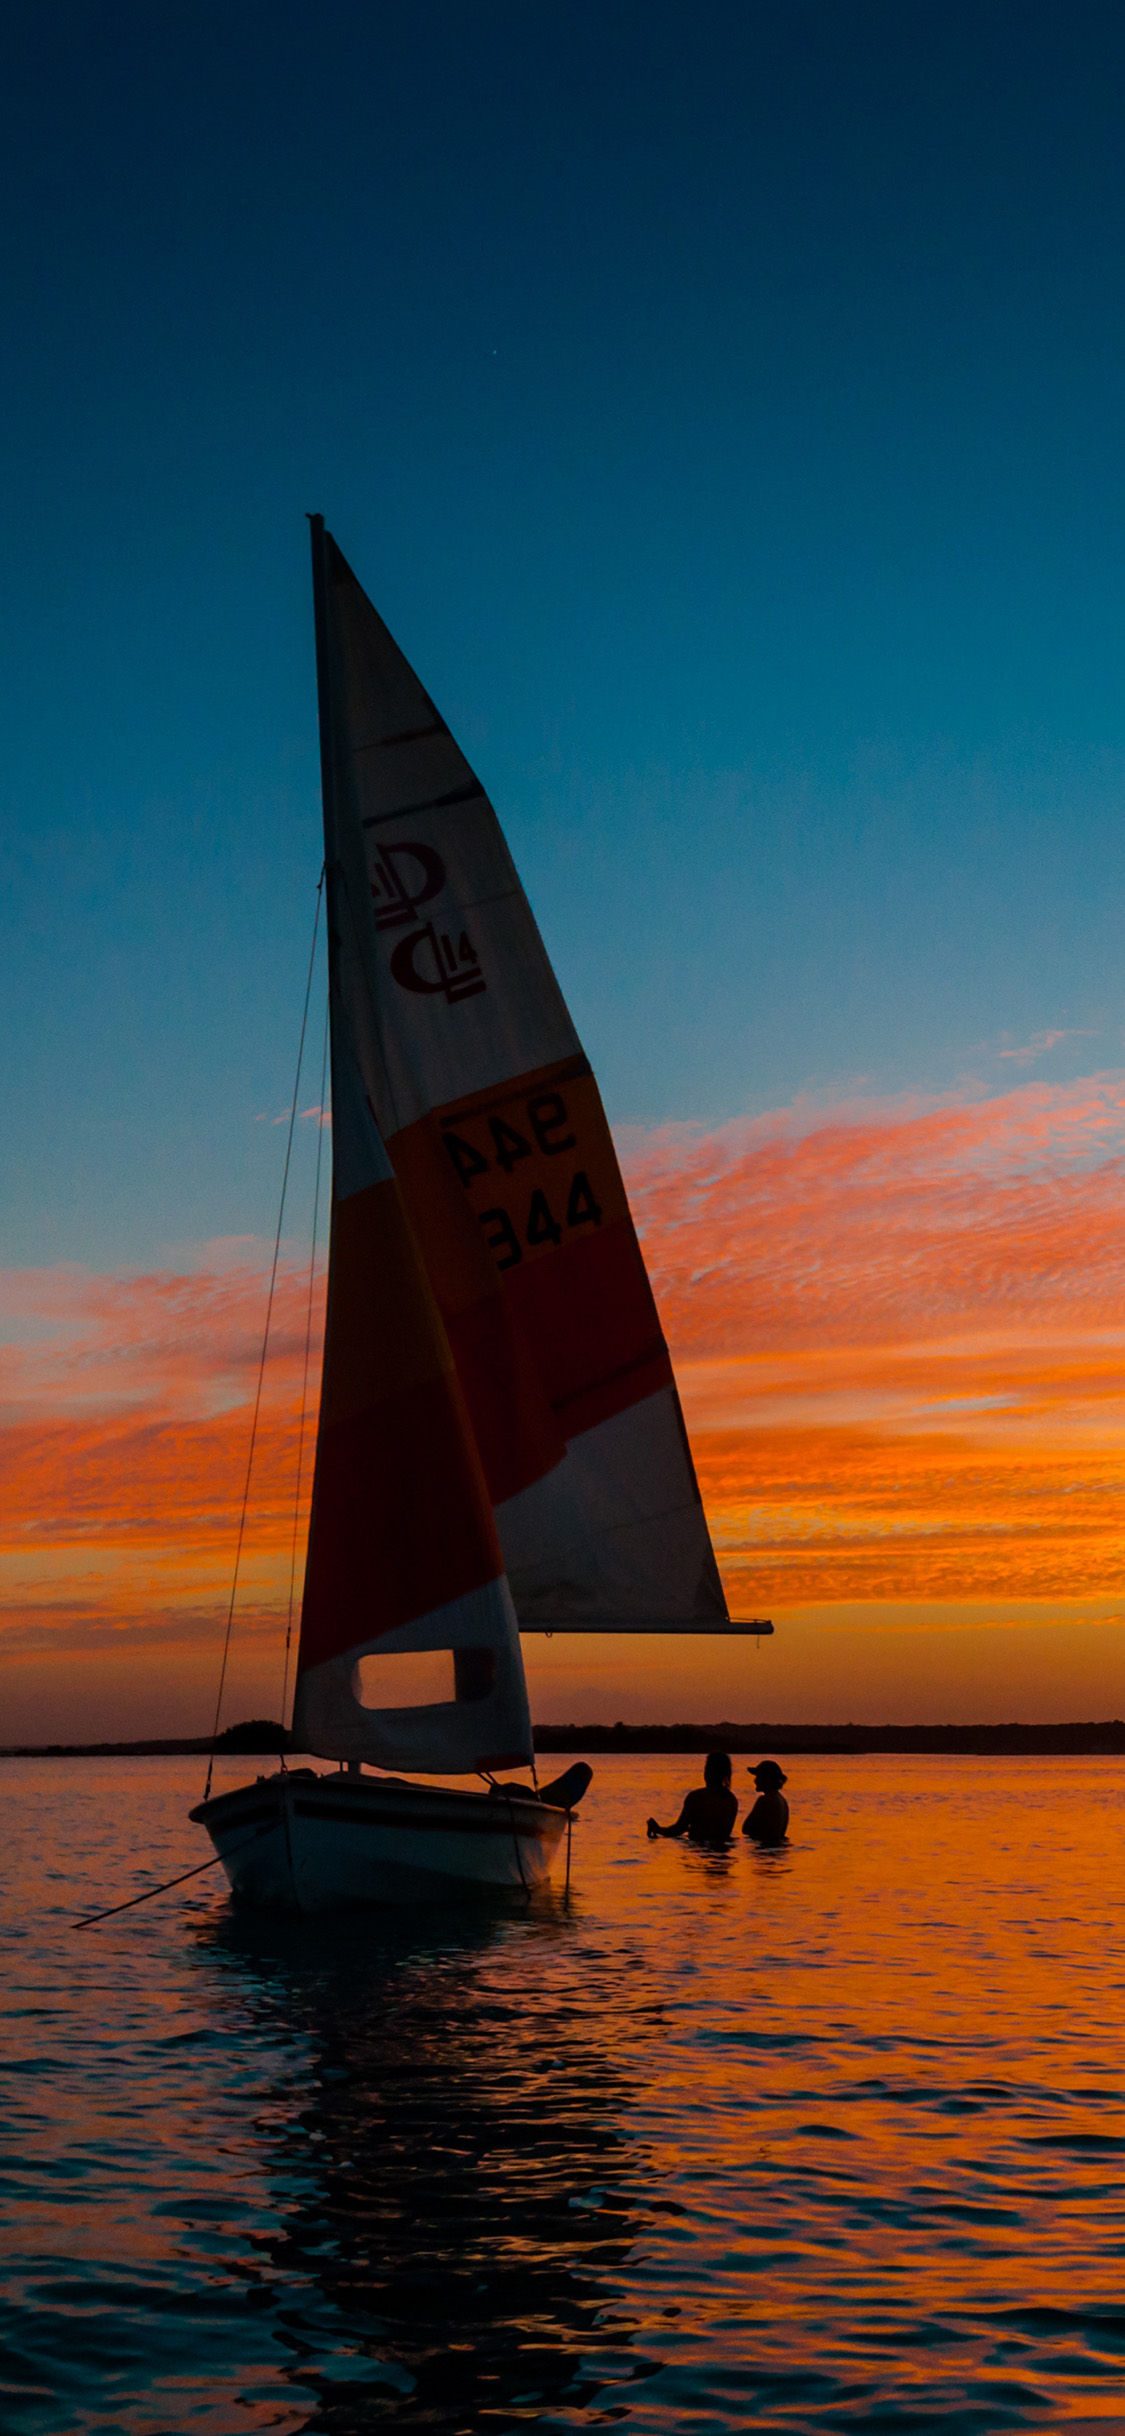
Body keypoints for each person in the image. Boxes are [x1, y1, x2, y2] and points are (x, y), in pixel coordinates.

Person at [646, 1751, 737, 1844]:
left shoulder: (696, 1797)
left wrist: (658, 1829)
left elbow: (679, 1828)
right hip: (723, 1849)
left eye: (706, 1769)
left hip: (698, 1849)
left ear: (709, 1772)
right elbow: (718, 1832)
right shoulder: (731, 1800)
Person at [743, 1759, 789, 1844]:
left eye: (758, 1777)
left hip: (764, 1847)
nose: (755, 1781)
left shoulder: (765, 1800)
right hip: (776, 1848)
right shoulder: (783, 1801)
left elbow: (746, 1829)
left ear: (766, 1778)